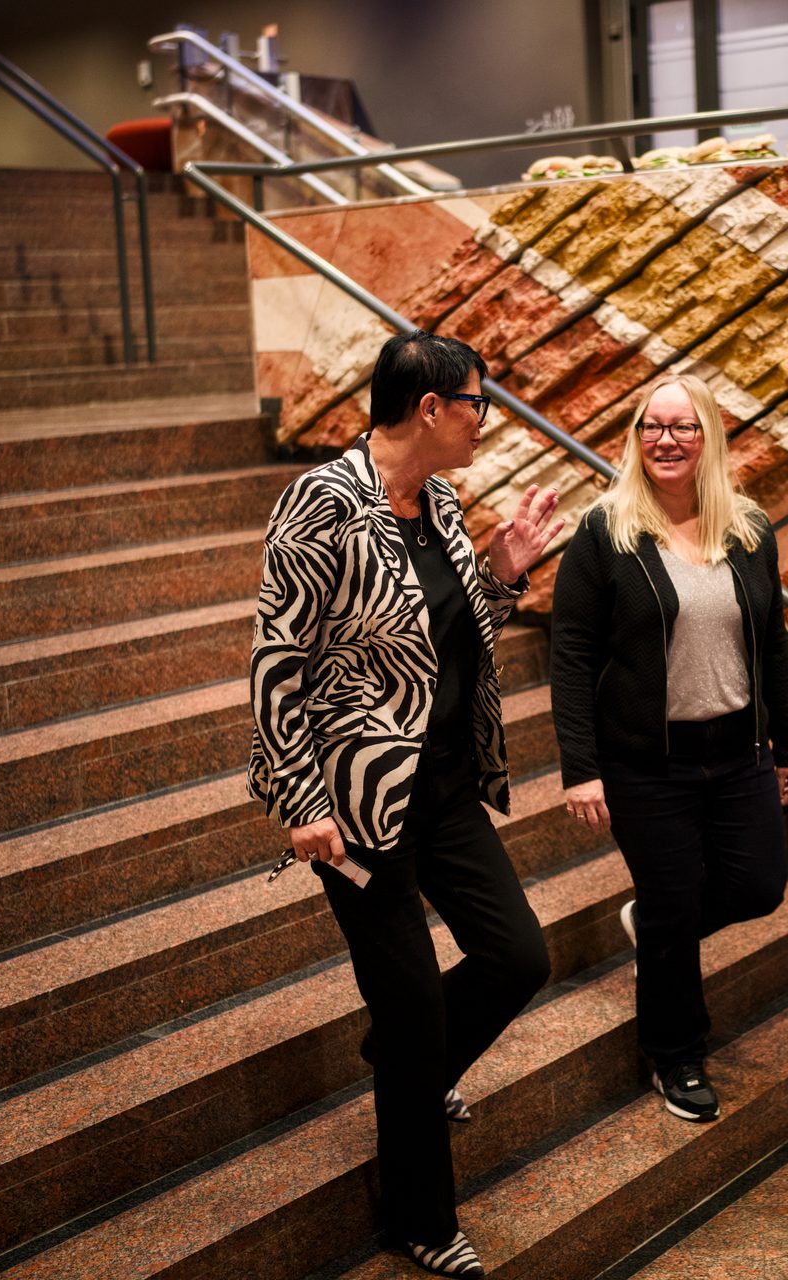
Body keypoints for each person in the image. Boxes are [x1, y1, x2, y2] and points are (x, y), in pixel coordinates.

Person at [248, 331, 563, 1278]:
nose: (485, 420)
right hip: (354, 802)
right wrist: (301, 796)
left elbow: (449, 636)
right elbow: (276, 661)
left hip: (447, 786)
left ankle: (403, 1062)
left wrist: (500, 569)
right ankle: (419, 1218)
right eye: (479, 402)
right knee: (419, 1009)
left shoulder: (442, 501)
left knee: (518, 957)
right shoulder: (322, 504)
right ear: (431, 407)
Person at [548, 373, 788, 1125]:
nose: (666, 440)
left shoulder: (749, 529)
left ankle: (658, 921)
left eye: (683, 427)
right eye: (651, 427)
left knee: (759, 886)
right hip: (643, 763)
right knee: (672, 902)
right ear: (635, 438)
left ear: (708, 439)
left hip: (737, 752)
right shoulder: (606, 531)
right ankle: (676, 1054)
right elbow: (569, 656)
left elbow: (773, 647)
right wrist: (581, 767)